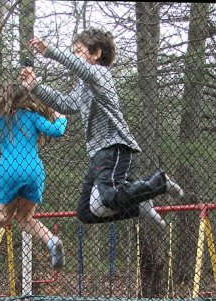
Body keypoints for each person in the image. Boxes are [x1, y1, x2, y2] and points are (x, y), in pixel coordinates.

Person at [19, 28, 184, 228]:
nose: (75, 56)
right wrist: (36, 87)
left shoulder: (101, 74)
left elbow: (82, 69)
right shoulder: (84, 85)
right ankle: (138, 205)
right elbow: (65, 104)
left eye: (79, 51)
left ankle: (157, 183)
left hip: (116, 148)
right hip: (98, 153)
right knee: (86, 212)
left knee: (106, 198)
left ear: (96, 53)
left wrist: (49, 51)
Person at [0, 83, 67, 271]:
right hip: (32, 169)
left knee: (3, 216)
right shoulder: (33, 117)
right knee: (25, 219)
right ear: (27, 99)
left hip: (7, 171)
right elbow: (57, 131)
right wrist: (61, 116)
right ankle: (52, 241)